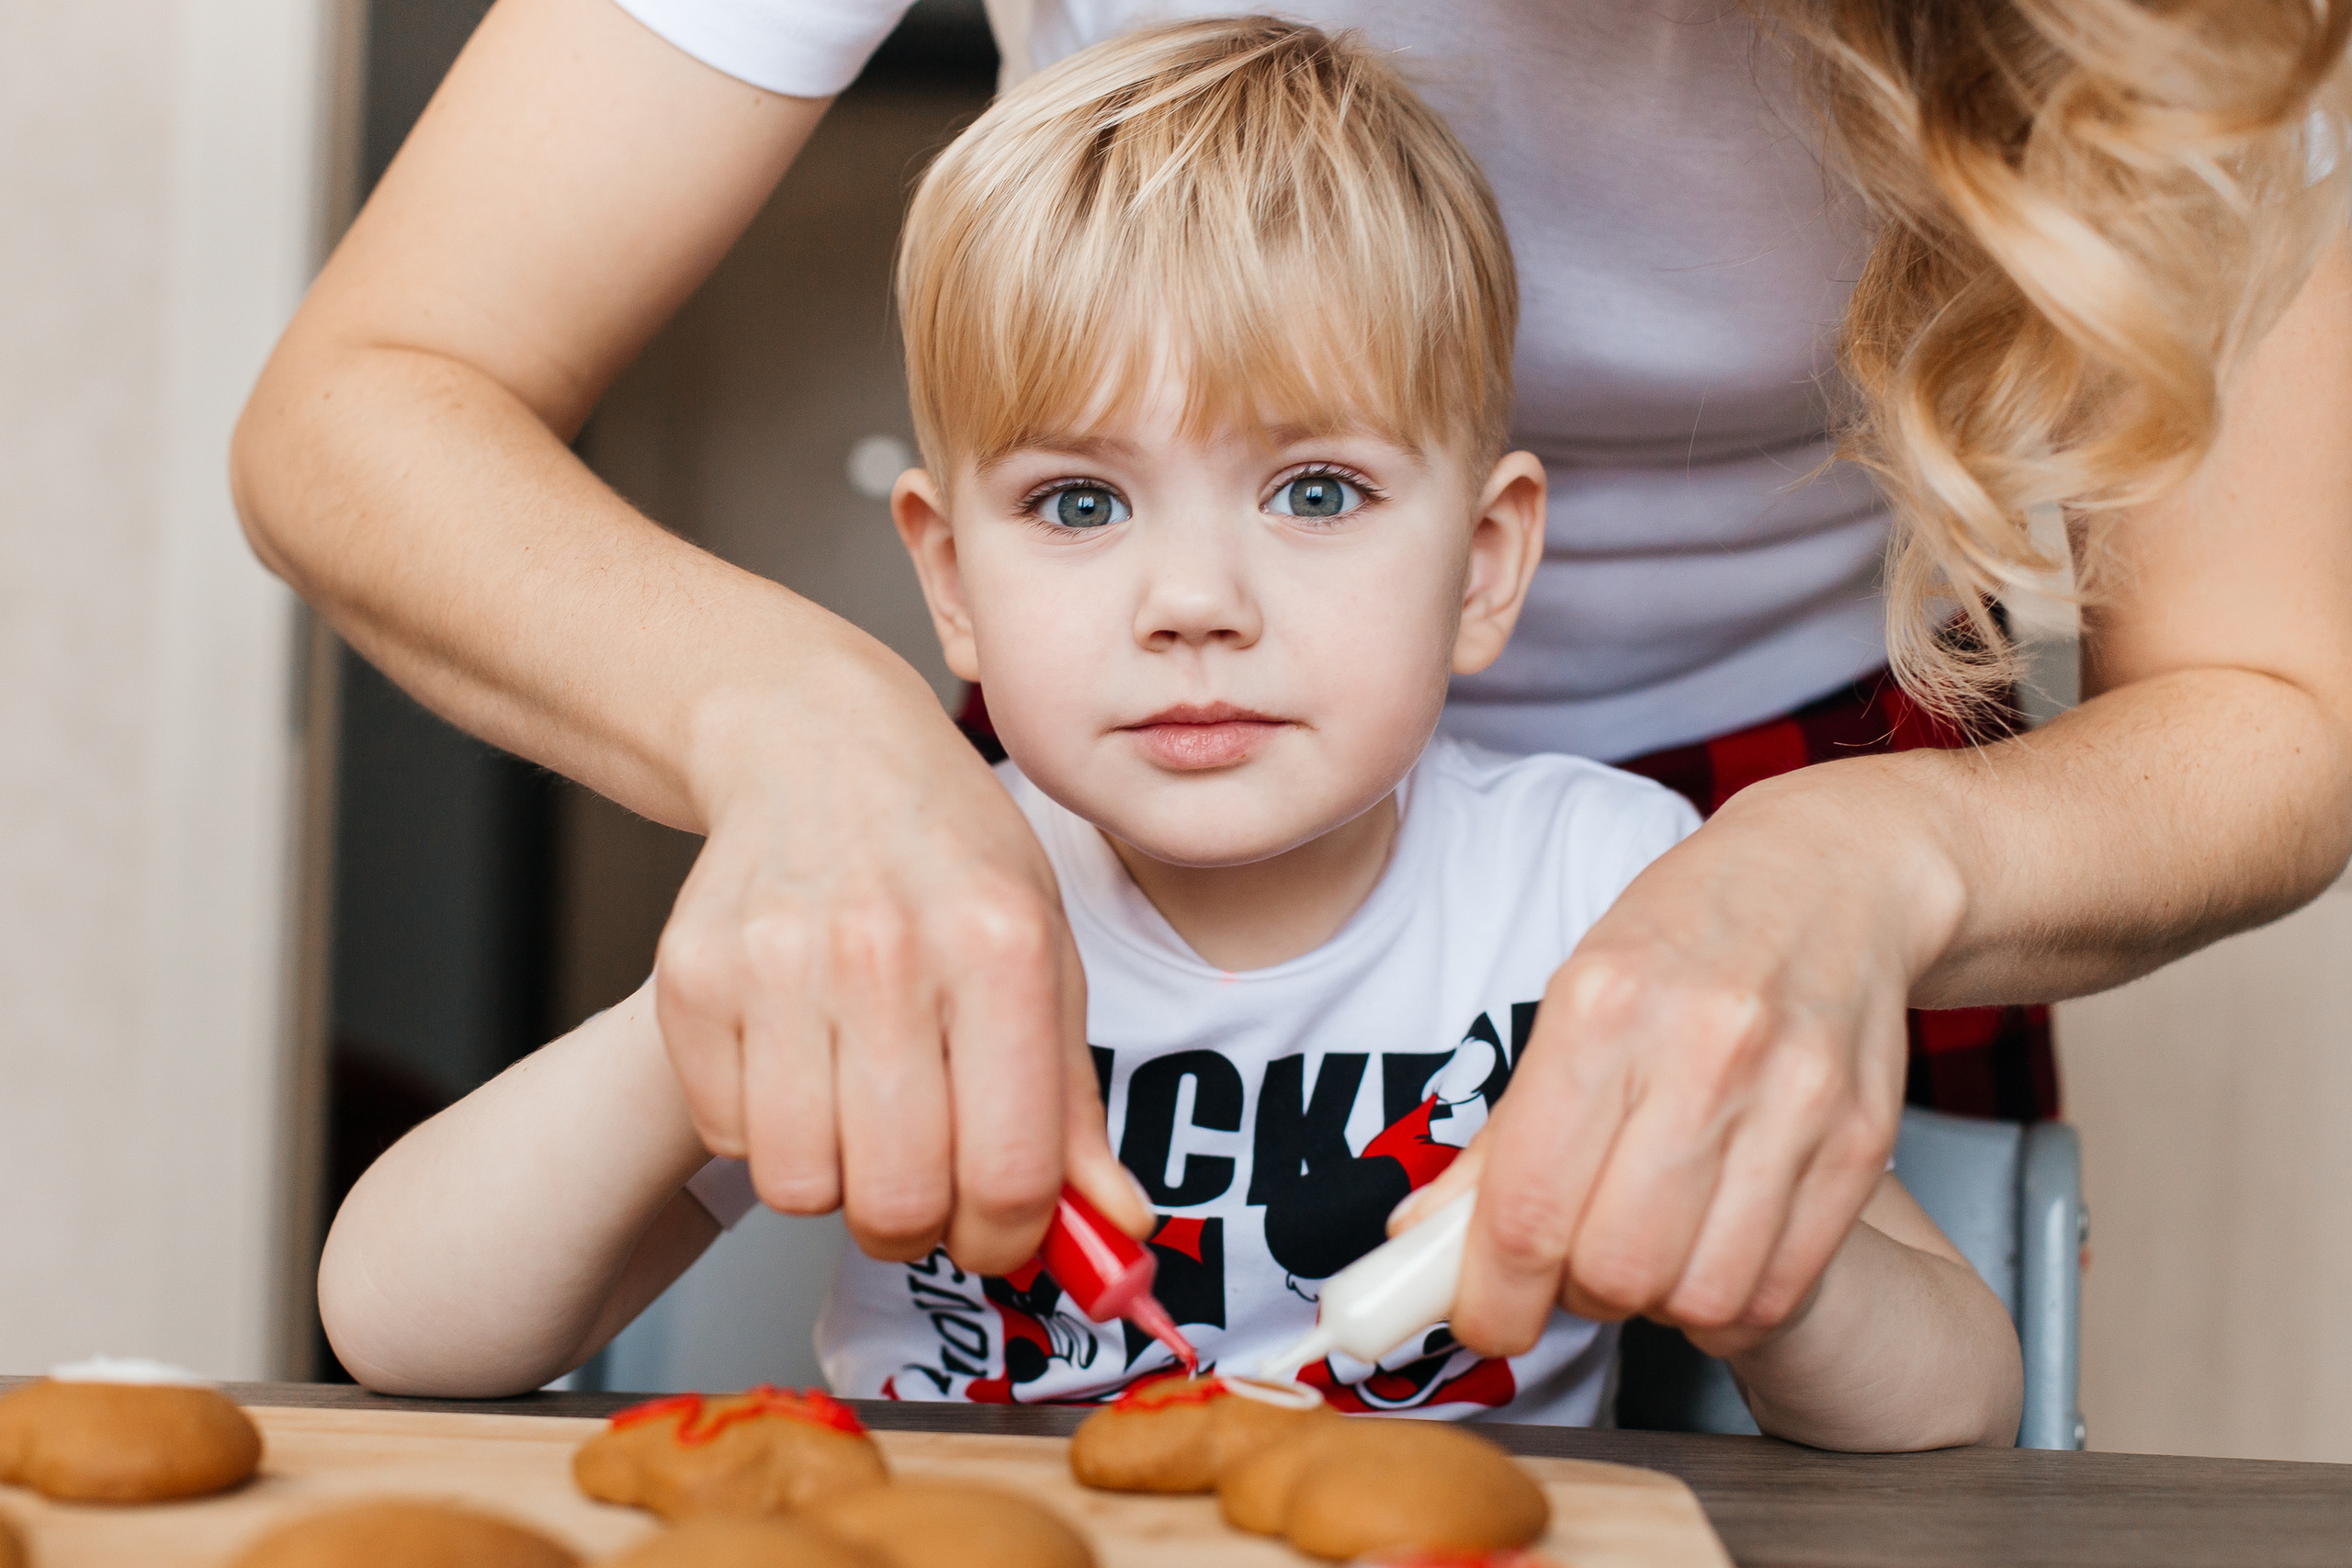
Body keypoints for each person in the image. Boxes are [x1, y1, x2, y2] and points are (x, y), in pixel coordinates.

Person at [232, 0, 2352, 1363]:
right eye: (1080, 505)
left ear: (1488, 549)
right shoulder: (1025, 874)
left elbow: (2263, 696)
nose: (1199, 602)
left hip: (1810, 779)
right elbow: (370, 399)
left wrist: (1858, 868)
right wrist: (806, 734)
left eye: (1317, 490)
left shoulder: (1586, 864)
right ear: (947, 571)